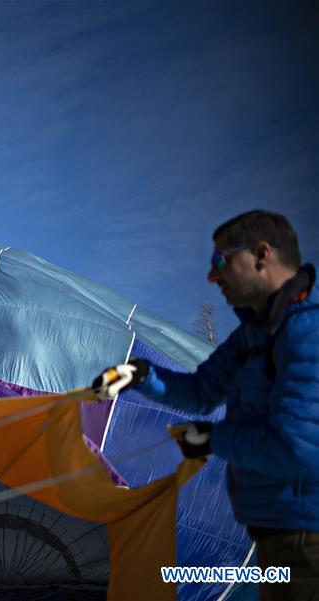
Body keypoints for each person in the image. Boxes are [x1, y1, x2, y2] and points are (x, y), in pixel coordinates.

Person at [92, 210, 318, 600]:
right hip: (274, 533)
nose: (213, 277)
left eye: (220, 261)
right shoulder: (254, 336)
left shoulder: (305, 333)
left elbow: (297, 447)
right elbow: (202, 392)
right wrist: (140, 376)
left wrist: (213, 439)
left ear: (261, 255)